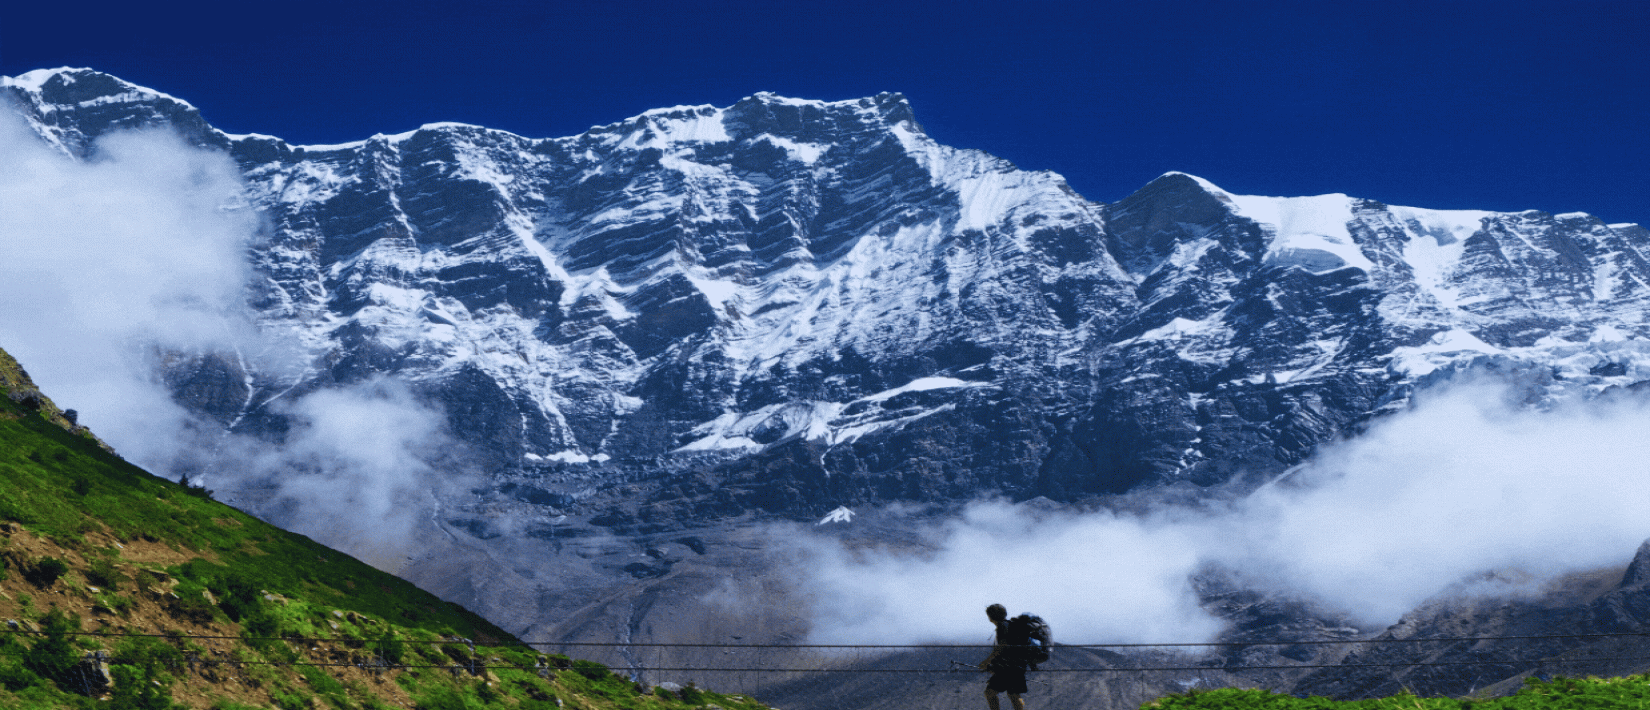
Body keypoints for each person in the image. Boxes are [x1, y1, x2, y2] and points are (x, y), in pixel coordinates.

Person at [977, 603, 1027, 710]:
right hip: (1019, 666)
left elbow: (1002, 646)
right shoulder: (1011, 625)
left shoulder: (1002, 626)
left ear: (990, 616)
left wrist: (987, 661)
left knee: (990, 692)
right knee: (1014, 694)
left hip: (1007, 668)